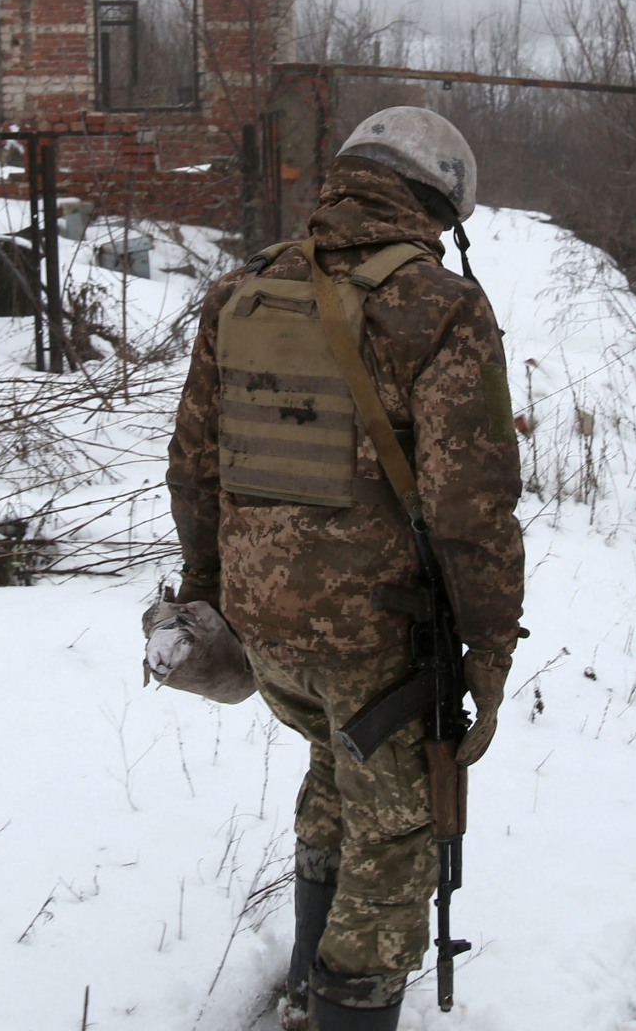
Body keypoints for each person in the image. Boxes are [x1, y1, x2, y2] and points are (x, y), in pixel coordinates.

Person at [164, 107, 525, 1029]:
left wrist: (211, 600)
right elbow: (471, 512)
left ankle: (305, 992)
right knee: (397, 838)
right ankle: (345, 1012)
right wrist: (487, 653)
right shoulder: (441, 308)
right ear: (436, 208)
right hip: (382, 647)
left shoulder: (240, 293)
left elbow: (193, 469)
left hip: (266, 638)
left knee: (334, 771)